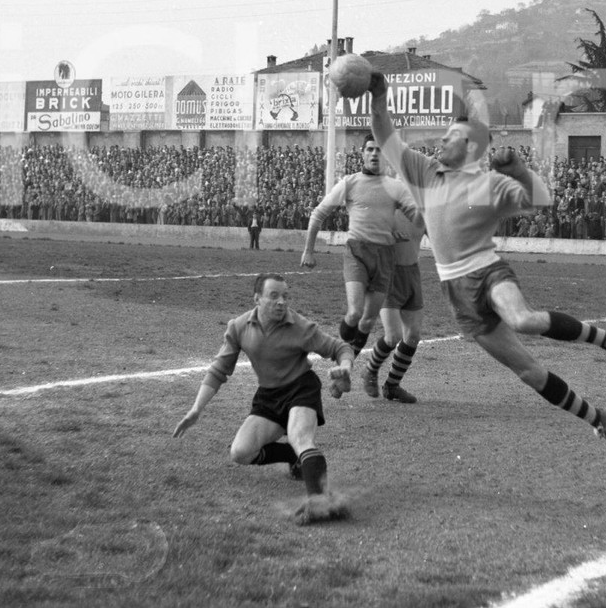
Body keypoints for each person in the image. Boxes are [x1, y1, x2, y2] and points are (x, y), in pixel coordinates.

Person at [368, 72, 606, 459]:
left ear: (470, 147)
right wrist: (379, 96)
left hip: (486, 270)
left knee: (524, 320)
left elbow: (540, 199)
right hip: (456, 290)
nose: (441, 141)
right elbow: (384, 135)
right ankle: (600, 420)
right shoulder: (424, 173)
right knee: (529, 372)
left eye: (450, 137)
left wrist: (517, 171)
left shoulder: (490, 185)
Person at [172, 273, 354, 524]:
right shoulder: (239, 327)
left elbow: (340, 348)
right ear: (257, 298)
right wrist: (196, 409)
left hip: (301, 388)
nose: (282, 302)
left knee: (301, 437)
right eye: (274, 295)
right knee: (240, 453)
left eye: (285, 296)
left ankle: (321, 502)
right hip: (268, 395)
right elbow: (218, 370)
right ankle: (293, 456)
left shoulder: (300, 327)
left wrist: (345, 367)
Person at [300, 134, 419, 358]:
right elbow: (318, 214)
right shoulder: (350, 182)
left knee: (368, 320)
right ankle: (341, 351)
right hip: (357, 252)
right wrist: (309, 250)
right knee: (354, 314)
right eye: (370, 149)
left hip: (384, 256)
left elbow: (417, 217)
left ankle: (347, 361)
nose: (375, 154)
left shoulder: (396, 188)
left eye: (379, 150)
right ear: (363, 153)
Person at [362, 209, 426, 404]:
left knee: (413, 335)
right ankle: (370, 371)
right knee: (393, 336)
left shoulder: (423, 213)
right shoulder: (386, 211)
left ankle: (392, 386)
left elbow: (443, 241)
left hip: (412, 275)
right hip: (388, 275)